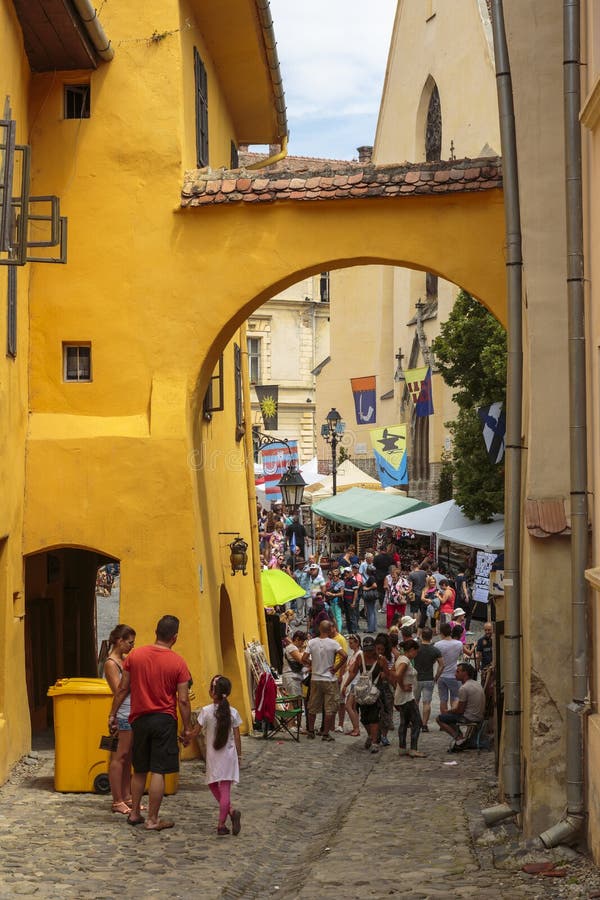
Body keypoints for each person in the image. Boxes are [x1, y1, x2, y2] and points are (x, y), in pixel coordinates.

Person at [108, 614, 193, 830]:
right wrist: (188, 729)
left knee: (140, 769)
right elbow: (183, 700)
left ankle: (135, 813)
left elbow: (123, 689)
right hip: (164, 719)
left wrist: (113, 714)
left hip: (138, 719)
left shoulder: (135, 656)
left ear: (156, 633)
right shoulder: (178, 662)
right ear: (174, 637)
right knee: (158, 770)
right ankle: (153, 819)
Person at [193, 675, 242, 836]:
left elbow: (196, 732)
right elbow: (237, 736)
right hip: (229, 755)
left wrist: (185, 738)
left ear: (212, 692)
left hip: (213, 756)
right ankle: (230, 811)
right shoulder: (233, 712)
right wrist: (239, 756)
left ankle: (222, 824)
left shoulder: (206, 711)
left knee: (213, 784)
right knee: (225, 788)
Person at [104, 624, 136, 815]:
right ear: (119, 640)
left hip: (131, 712)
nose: (131, 646)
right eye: (129, 642)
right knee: (119, 757)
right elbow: (119, 690)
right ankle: (117, 800)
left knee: (128, 757)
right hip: (123, 713)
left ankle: (127, 796)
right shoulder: (111, 663)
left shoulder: (125, 661)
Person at [302, 620, 347, 741]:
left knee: (312, 706)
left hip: (315, 678)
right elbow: (345, 656)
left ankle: (311, 731)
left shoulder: (312, 642)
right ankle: (325, 733)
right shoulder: (333, 643)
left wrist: (312, 664)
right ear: (329, 629)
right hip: (329, 678)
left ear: (320, 629)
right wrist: (336, 668)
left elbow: (303, 658)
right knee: (329, 708)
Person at [344, 635, 387, 753]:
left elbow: (387, 674)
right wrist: (345, 685)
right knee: (364, 718)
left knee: (374, 717)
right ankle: (371, 735)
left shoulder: (380, 659)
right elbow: (353, 673)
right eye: (367, 650)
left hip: (375, 692)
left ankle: (374, 742)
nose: (368, 653)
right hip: (363, 692)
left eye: (371, 650)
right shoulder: (360, 658)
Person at [391, 638, 426, 757]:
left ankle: (402, 747)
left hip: (402, 696)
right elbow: (397, 674)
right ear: (411, 650)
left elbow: (392, 672)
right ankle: (413, 748)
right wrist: (402, 685)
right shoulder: (405, 660)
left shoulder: (401, 659)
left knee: (404, 722)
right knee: (417, 722)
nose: (416, 655)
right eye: (416, 652)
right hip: (406, 697)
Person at [437, 662, 486, 743]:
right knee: (450, 716)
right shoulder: (476, 684)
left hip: (470, 717)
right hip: (478, 715)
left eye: (458, 672)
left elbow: (460, 710)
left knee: (440, 718)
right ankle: (460, 736)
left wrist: (448, 711)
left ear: (465, 673)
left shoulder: (464, 688)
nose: (455, 674)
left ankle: (459, 738)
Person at [413, 627, 444, 732]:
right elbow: (442, 665)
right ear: (431, 637)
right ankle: (425, 725)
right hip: (429, 678)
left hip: (416, 678)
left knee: (415, 702)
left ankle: (416, 722)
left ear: (421, 635)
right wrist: (437, 676)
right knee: (427, 703)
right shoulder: (435, 650)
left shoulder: (416, 648)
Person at [435, 622, 464, 714]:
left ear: (441, 633)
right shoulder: (459, 644)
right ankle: (452, 719)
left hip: (442, 675)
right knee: (455, 697)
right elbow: (459, 656)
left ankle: (443, 720)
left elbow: (437, 660)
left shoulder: (437, 645)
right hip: (454, 675)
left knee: (443, 699)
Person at [339, 634, 362, 736]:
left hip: (355, 683)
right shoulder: (354, 654)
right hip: (352, 682)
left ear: (357, 643)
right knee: (353, 707)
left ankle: (356, 728)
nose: (349, 644)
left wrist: (345, 684)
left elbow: (353, 671)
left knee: (348, 706)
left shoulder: (359, 654)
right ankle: (355, 727)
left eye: (351, 643)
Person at [374, 633, 394, 746]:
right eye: (378, 649)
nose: (379, 651)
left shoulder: (389, 658)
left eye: (381, 649)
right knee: (375, 713)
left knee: (386, 713)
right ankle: (375, 734)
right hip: (374, 688)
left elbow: (390, 674)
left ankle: (384, 735)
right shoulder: (370, 657)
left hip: (385, 688)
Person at [281, 630, 307, 698]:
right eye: (302, 641)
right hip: (292, 678)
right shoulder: (291, 647)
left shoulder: (295, 648)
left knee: (295, 700)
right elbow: (302, 660)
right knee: (295, 700)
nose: (303, 644)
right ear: (297, 639)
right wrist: (305, 651)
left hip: (295, 677)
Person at [324, 566, 344, 632]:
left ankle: (339, 631)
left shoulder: (341, 582)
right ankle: (334, 630)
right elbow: (330, 589)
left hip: (338, 601)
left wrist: (333, 594)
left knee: (338, 617)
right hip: (332, 600)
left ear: (339, 576)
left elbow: (342, 593)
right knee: (333, 617)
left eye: (336, 575)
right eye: (333, 575)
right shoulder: (332, 582)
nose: (335, 577)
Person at [342, 566, 360, 633]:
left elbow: (355, 592)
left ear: (350, 573)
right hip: (346, 602)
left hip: (351, 602)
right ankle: (349, 632)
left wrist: (354, 602)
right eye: (345, 572)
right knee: (347, 618)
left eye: (347, 572)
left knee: (352, 617)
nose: (345, 573)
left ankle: (354, 632)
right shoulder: (345, 580)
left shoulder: (353, 581)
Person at [362, 569, 379, 633]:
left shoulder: (371, 577)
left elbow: (374, 585)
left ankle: (370, 628)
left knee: (370, 612)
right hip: (372, 597)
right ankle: (374, 627)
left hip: (370, 597)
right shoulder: (374, 577)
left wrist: (367, 588)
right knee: (373, 612)